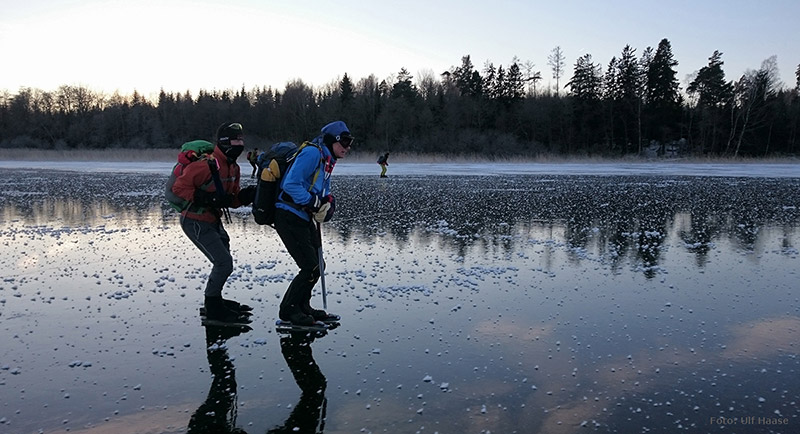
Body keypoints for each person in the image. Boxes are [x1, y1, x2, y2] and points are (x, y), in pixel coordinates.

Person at [172, 122, 256, 324]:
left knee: (223, 259)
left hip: (213, 220)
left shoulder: (233, 167)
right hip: (195, 221)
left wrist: (245, 196)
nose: (241, 144)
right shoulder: (204, 165)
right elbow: (178, 188)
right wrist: (206, 199)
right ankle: (212, 306)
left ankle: (216, 300)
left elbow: (230, 199)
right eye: (237, 140)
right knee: (223, 263)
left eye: (242, 140)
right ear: (226, 142)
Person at [274, 121, 352, 326]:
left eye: (350, 142)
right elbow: (290, 184)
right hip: (288, 215)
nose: (347, 147)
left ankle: (303, 306)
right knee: (310, 266)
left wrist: (328, 205)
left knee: (318, 264)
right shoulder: (313, 154)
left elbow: (323, 190)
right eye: (344, 141)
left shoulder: (327, 159)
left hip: (303, 216)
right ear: (332, 140)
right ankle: (289, 310)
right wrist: (313, 202)